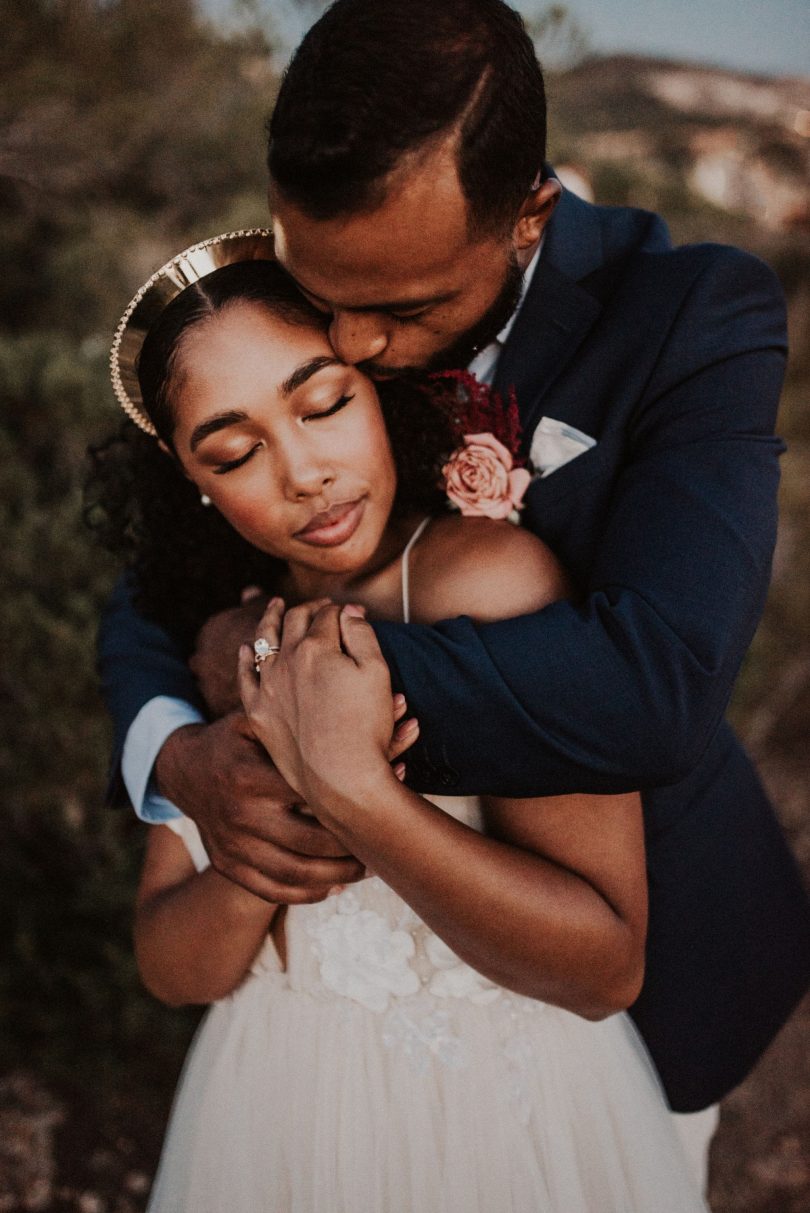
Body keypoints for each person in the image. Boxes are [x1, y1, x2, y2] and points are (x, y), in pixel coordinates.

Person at [98, 0, 810, 1120]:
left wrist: (297, 683)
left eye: (405, 308)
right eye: (322, 297)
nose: (355, 346)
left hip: (631, 977)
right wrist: (174, 750)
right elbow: (170, 560)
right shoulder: (350, 254)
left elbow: (659, 685)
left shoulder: (691, 317)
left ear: (530, 215)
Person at [96, 243, 708, 1211]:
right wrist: (255, 841)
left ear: (378, 385)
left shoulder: (486, 586)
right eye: (235, 449)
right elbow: (173, 964)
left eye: (324, 402)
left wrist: (356, 796)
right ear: (193, 481)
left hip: (503, 1123)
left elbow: (605, 966)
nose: (303, 471)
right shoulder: (223, 629)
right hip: (274, 1106)